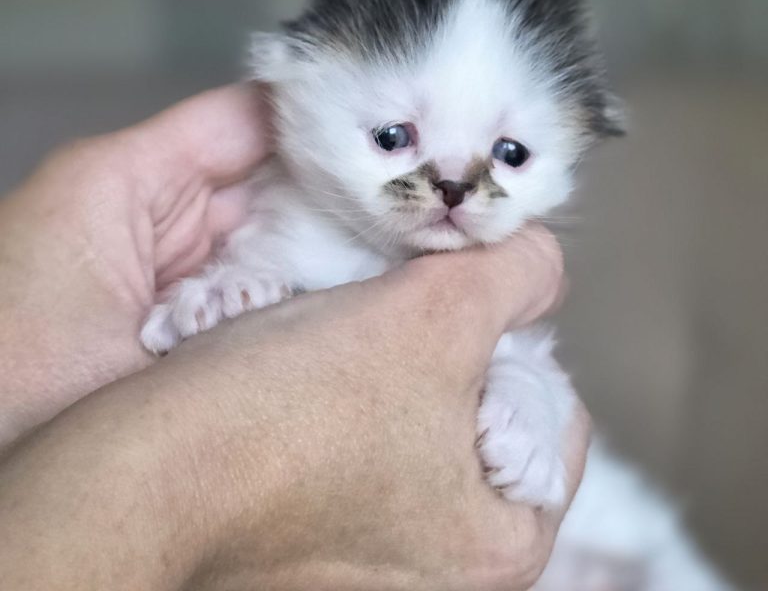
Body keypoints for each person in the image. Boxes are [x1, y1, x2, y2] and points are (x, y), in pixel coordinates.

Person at [0, 84, 589, 590]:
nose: (456, 186)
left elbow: (525, 373)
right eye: (391, 137)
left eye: (509, 154)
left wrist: (526, 394)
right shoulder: (263, 236)